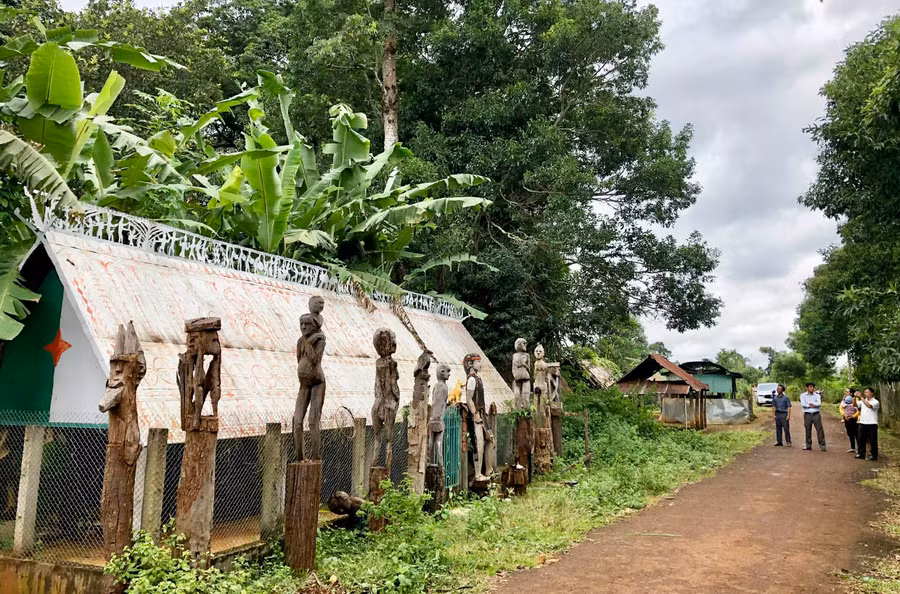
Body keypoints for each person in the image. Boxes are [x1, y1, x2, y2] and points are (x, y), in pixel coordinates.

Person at [800, 381, 826, 451]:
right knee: (808, 429)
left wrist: (811, 404)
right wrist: (810, 405)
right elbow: (803, 404)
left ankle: (822, 446)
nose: (812, 388)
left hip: (816, 414)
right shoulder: (803, 395)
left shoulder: (817, 395)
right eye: (810, 387)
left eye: (813, 387)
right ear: (807, 388)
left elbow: (819, 403)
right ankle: (808, 445)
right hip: (807, 414)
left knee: (819, 429)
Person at [856, 387, 880, 461]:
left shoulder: (875, 402)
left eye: (867, 392)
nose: (866, 393)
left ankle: (873, 455)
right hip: (863, 422)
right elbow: (855, 405)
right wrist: (855, 397)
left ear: (872, 393)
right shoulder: (863, 401)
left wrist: (861, 397)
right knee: (860, 439)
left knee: (872, 440)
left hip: (872, 423)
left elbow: (869, 406)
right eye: (865, 392)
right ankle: (861, 453)